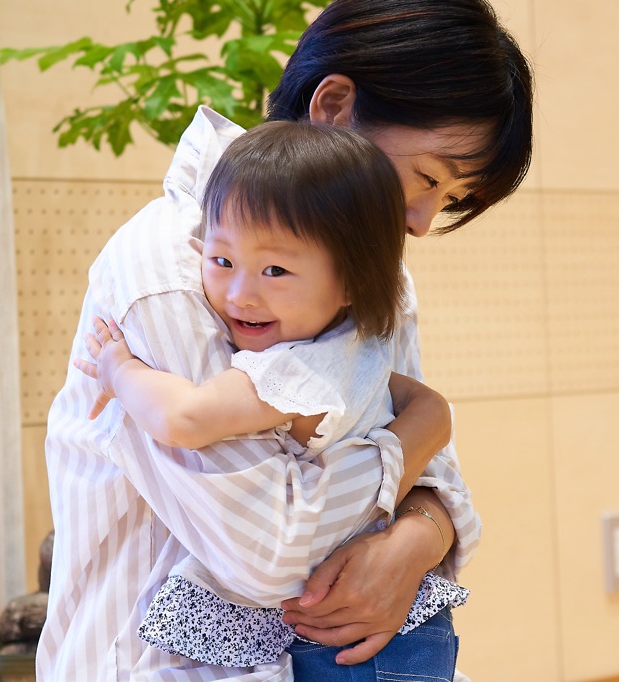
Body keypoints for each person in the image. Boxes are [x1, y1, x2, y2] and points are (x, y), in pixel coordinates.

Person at [37, 0, 533, 679]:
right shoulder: (172, 268)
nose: (422, 222)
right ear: (333, 107)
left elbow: (437, 480)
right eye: (427, 178)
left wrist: (417, 539)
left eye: (449, 199)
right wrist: (419, 437)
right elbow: (270, 552)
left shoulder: (369, 274)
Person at [75, 119, 469, 672]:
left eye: (276, 270)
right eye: (222, 261)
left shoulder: (297, 372)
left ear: (351, 281)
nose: (241, 294)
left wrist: (117, 369)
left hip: (348, 638)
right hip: (388, 621)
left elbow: (184, 418)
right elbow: (423, 406)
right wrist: (430, 419)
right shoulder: (357, 350)